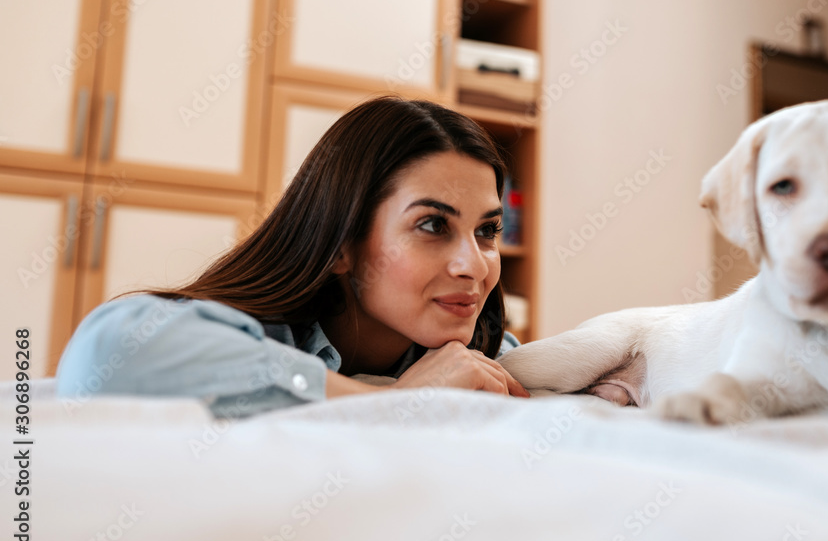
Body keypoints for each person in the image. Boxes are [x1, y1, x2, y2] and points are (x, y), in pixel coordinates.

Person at [55, 96, 530, 417]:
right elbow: (110, 351)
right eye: (432, 225)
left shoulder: (474, 354)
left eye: (487, 231)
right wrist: (392, 404)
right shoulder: (250, 340)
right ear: (341, 245)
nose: (474, 265)